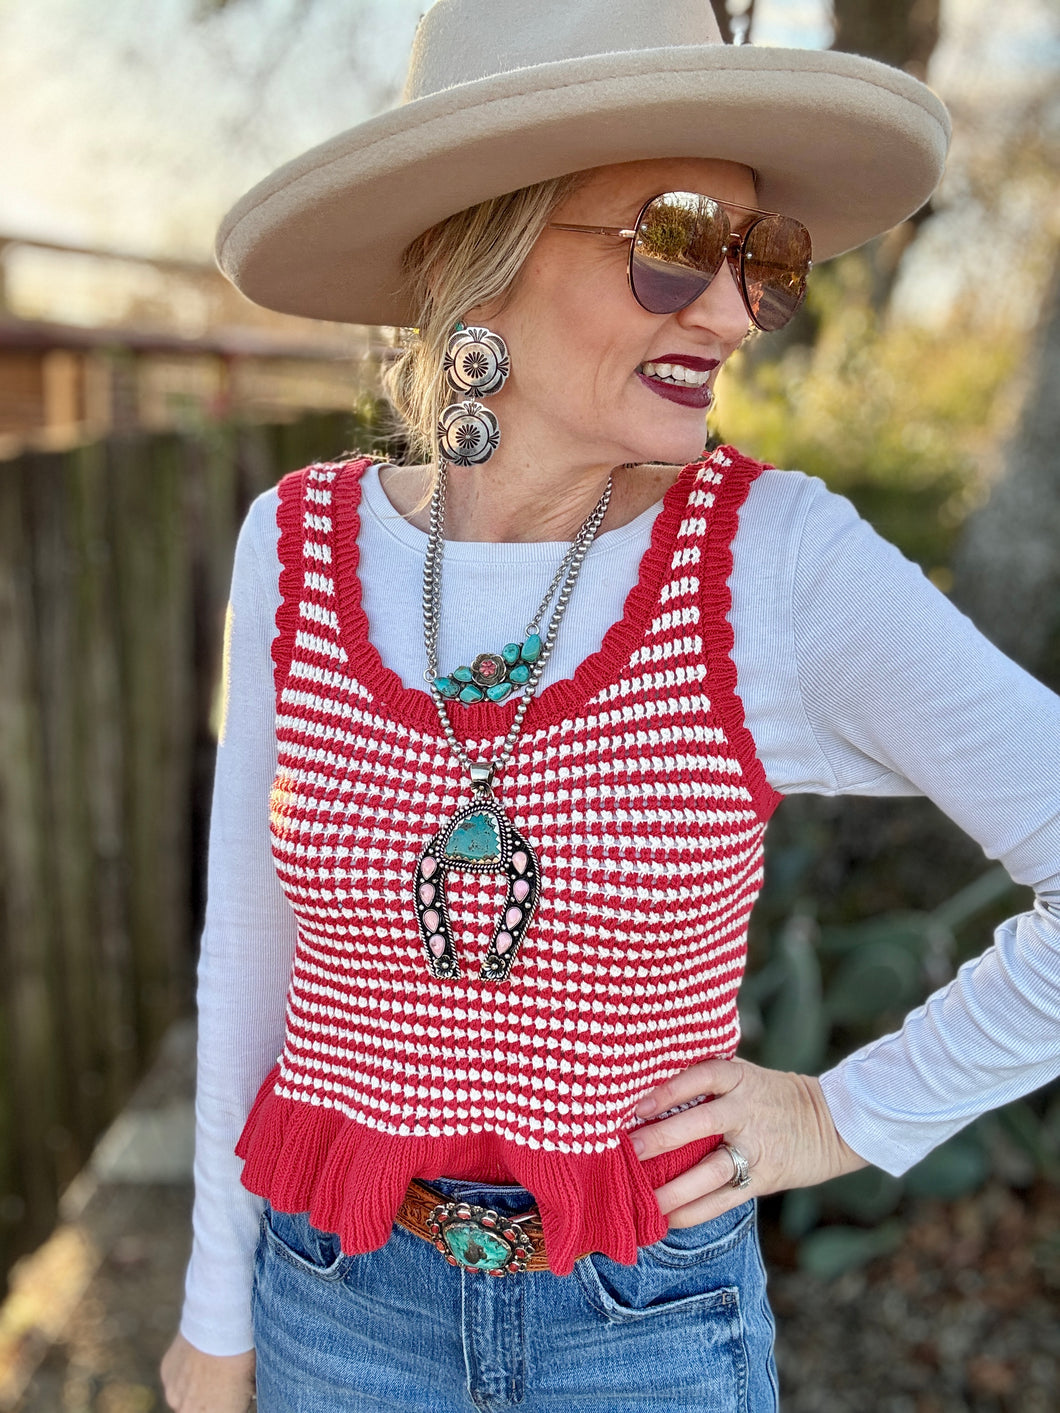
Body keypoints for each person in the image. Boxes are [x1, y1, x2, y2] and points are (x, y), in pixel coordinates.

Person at [160, 1, 1060, 1409]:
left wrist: (843, 1112)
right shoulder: (295, 542)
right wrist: (216, 1313)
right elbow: (252, 953)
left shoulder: (775, 563)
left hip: (639, 1330)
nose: (732, 311)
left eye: (761, 259)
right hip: (335, 1305)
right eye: (676, 241)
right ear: (487, 245)